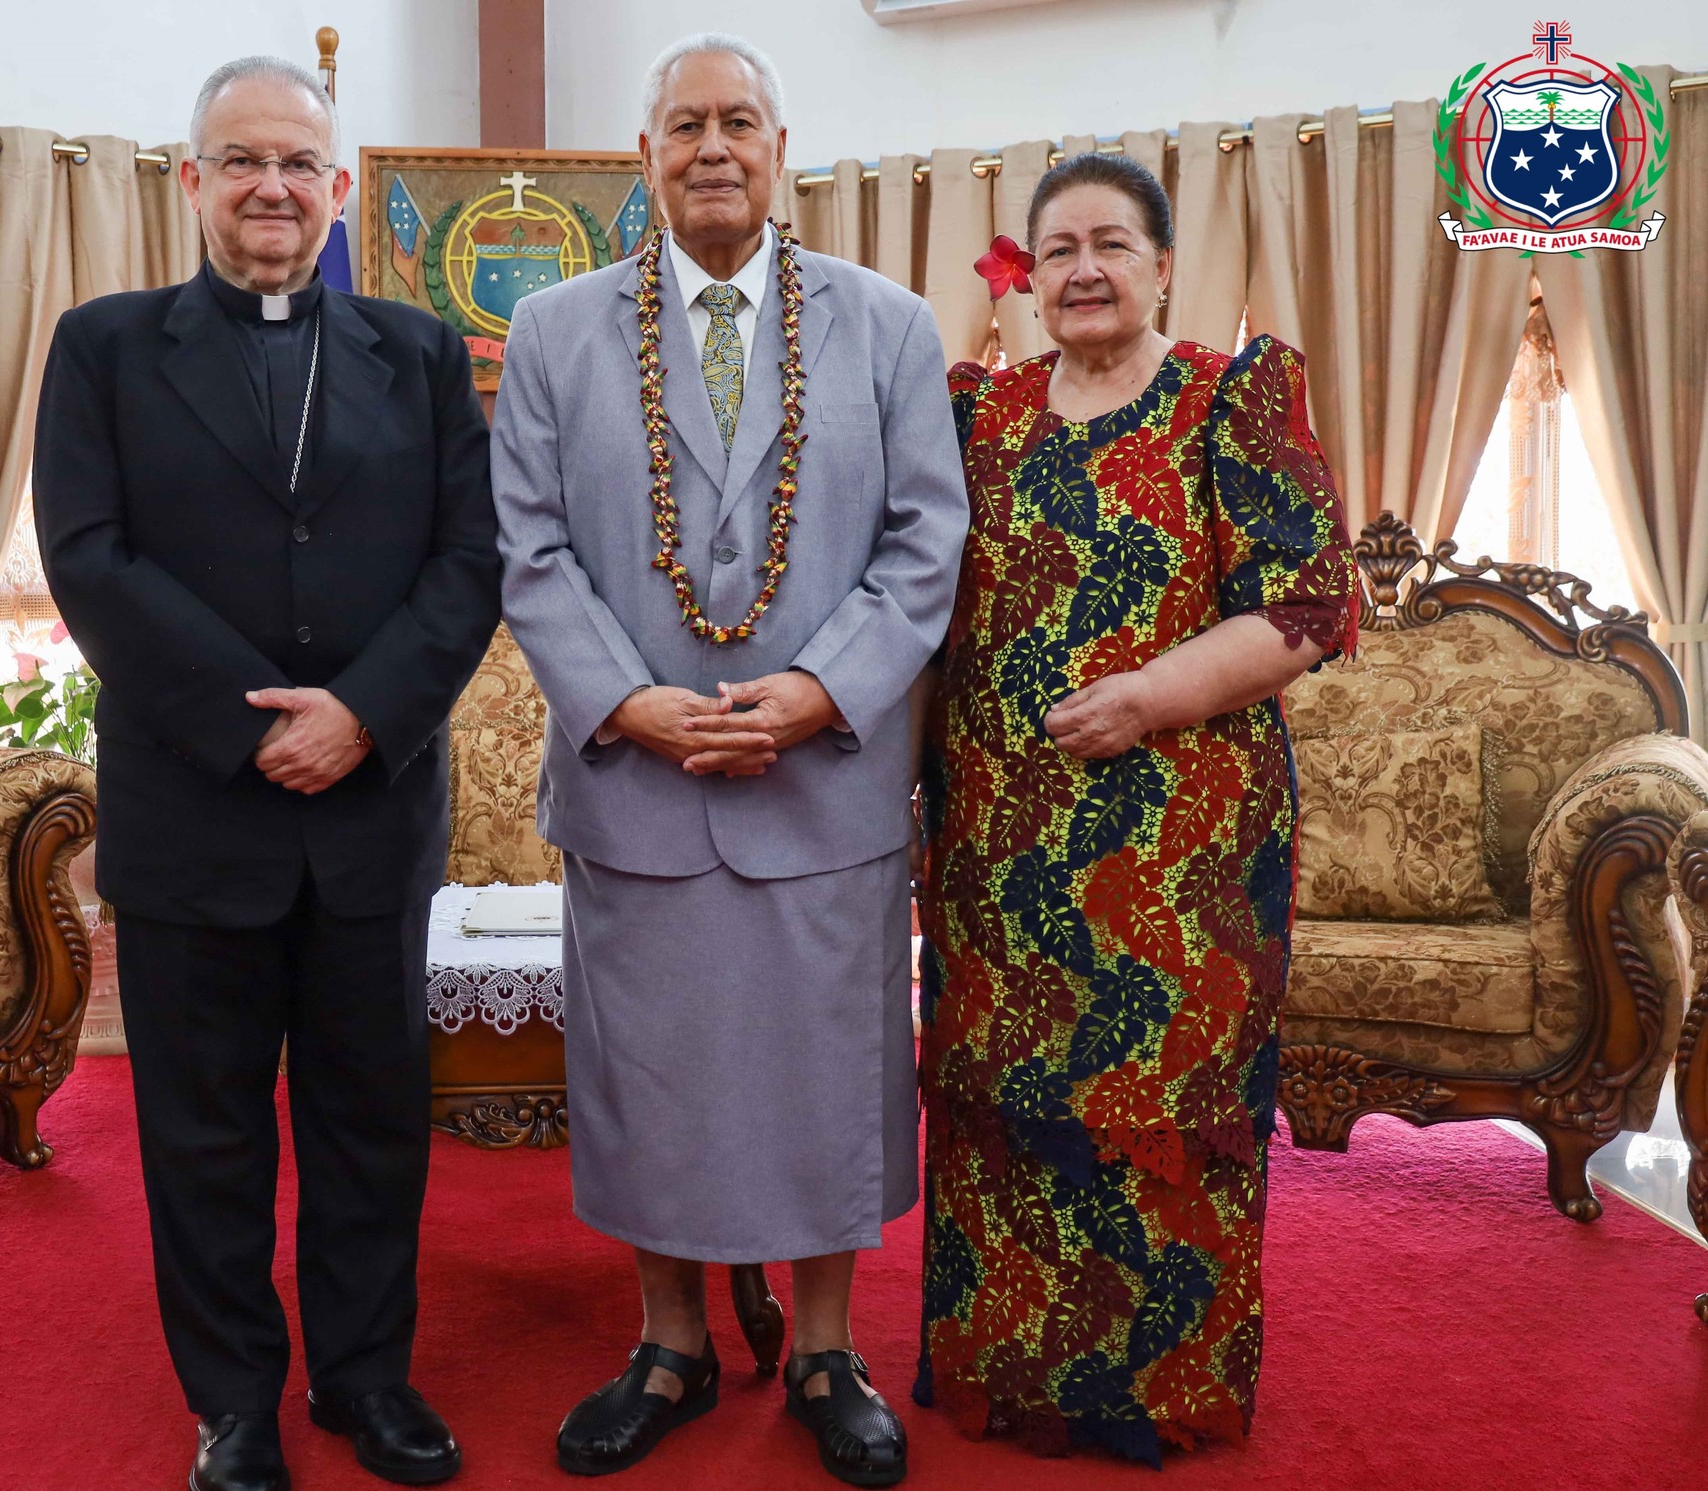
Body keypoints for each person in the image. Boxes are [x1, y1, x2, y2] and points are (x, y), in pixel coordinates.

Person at [491, 32, 968, 1489]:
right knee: (656, 1081)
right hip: (637, 783)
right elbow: (530, 549)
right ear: (645, 155)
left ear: (780, 150)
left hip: (822, 783)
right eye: (685, 124)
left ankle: (825, 1351)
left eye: (739, 122)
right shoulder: (554, 333)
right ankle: (671, 1346)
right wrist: (628, 703)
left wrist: (822, 692)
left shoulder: (887, 327)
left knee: (826, 1077)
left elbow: (926, 543)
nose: (713, 147)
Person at [32, 55, 499, 1491]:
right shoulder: (106, 347)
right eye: (242, 160)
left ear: (338, 188)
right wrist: (252, 726)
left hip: (370, 809)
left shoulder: (419, 352)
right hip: (195, 814)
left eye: (299, 163)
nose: (272, 187)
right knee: (205, 1135)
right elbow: (89, 559)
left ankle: (366, 1379)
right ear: (193, 181)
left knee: (371, 1127)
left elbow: (469, 558)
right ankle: (232, 1402)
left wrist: (361, 715)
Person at [917, 153, 1359, 1465]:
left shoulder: (1230, 400)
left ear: (1164, 266)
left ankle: (1156, 1390)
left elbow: (1306, 605)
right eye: (1058, 249)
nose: (1085, 270)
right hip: (997, 845)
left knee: (1161, 1105)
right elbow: (920, 602)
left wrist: (1150, 697)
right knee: (1003, 1100)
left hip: (1182, 851)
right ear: (1028, 275)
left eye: (1112, 244)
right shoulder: (977, 414)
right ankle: (1009, 1374)